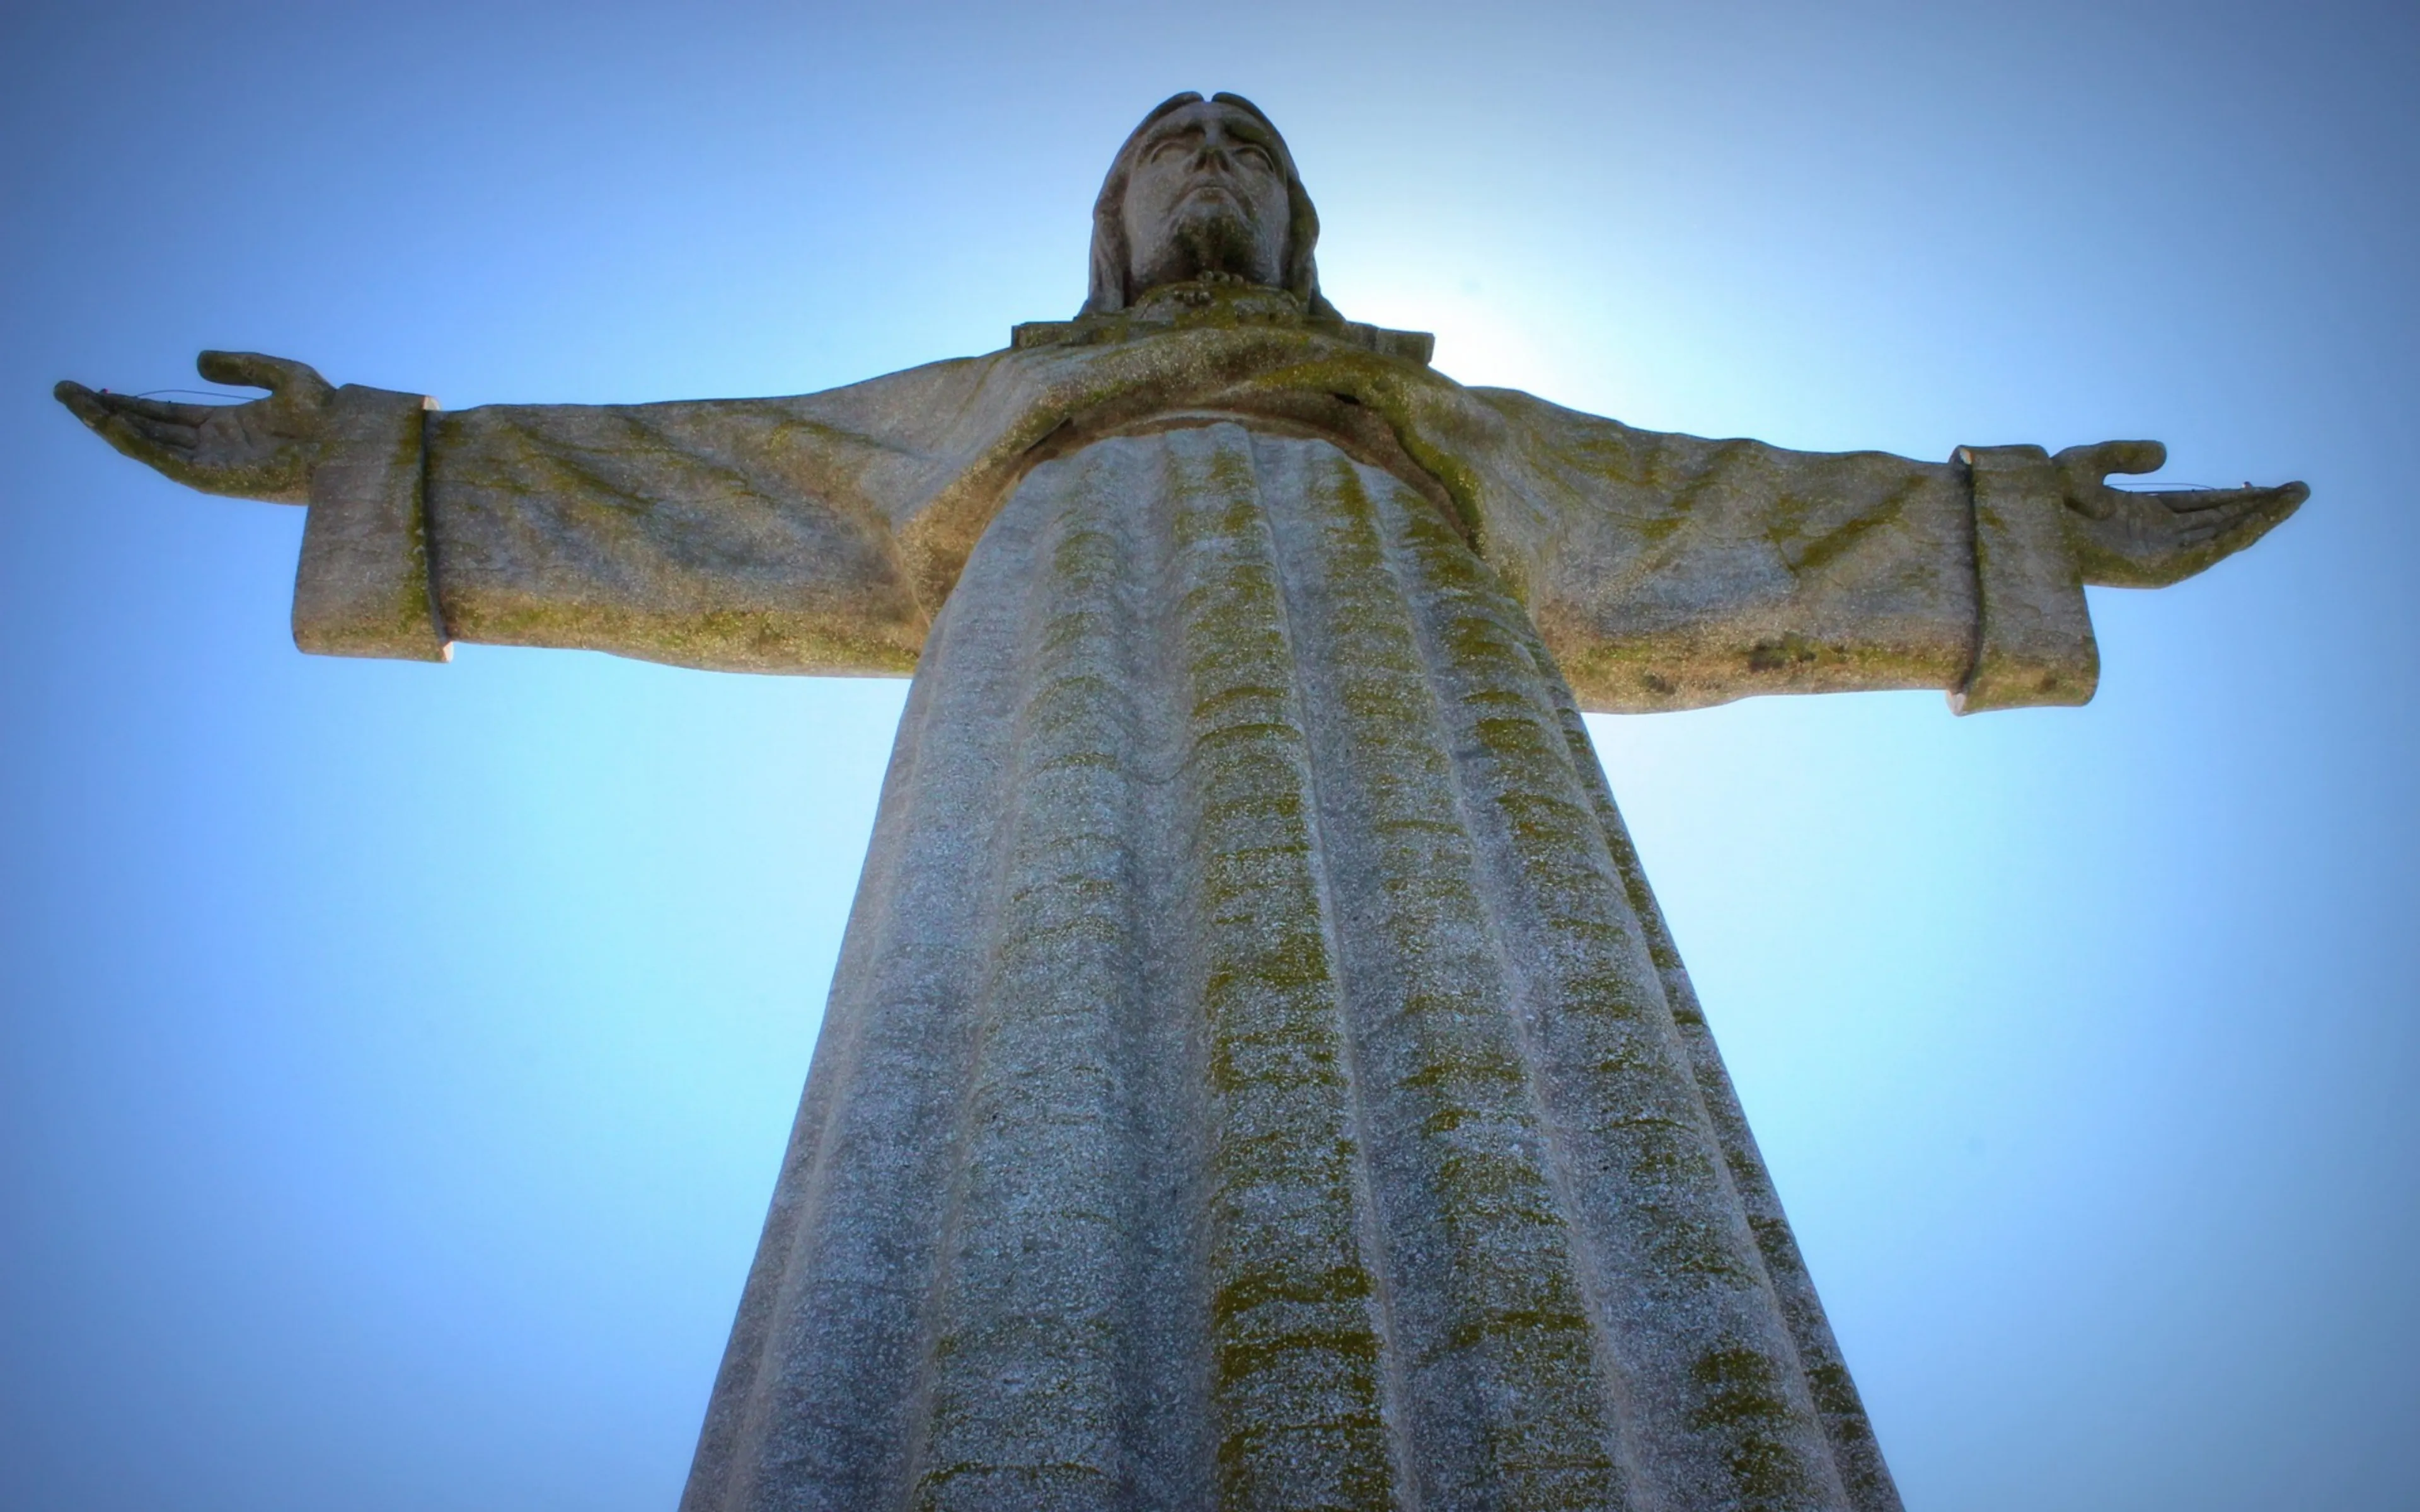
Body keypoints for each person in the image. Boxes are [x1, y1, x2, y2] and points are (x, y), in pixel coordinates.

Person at [57, 91, 2301, 1512]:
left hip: (1429, 687)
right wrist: (381, 465)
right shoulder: (982, 413)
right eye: (1170, 144)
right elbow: (696, 482)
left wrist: (2008, 532)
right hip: (1056, 683)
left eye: (1245, 146)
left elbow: (1719, 518)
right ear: (1112, 220)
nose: (1209, 161)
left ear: (1300, 221)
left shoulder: (1432, 425)